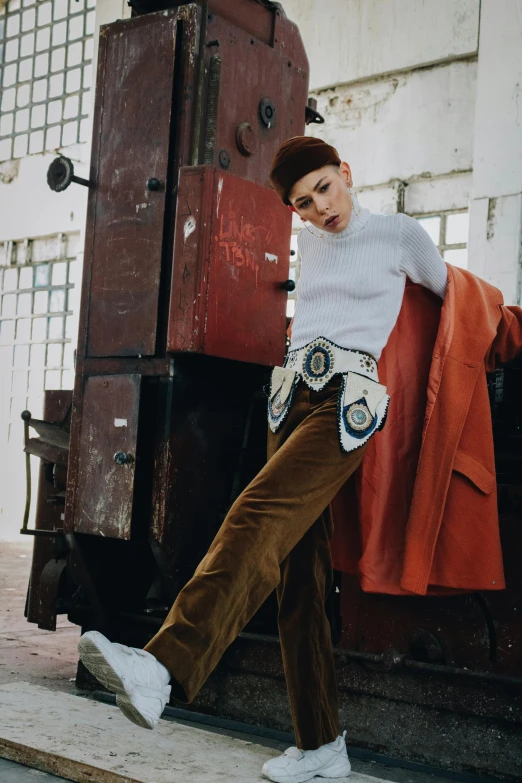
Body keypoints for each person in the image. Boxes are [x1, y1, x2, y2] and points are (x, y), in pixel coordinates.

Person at [78, 136, 448, 783]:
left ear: (347, 173)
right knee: (298, 578)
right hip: (289, 401)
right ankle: (322, 742)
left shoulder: (399, 235)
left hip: (345, 406)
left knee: (255, 513)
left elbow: (455, 303)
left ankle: (164, 665)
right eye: (303, 203)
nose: (319, 208)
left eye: (326, 188)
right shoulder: (310, 242)